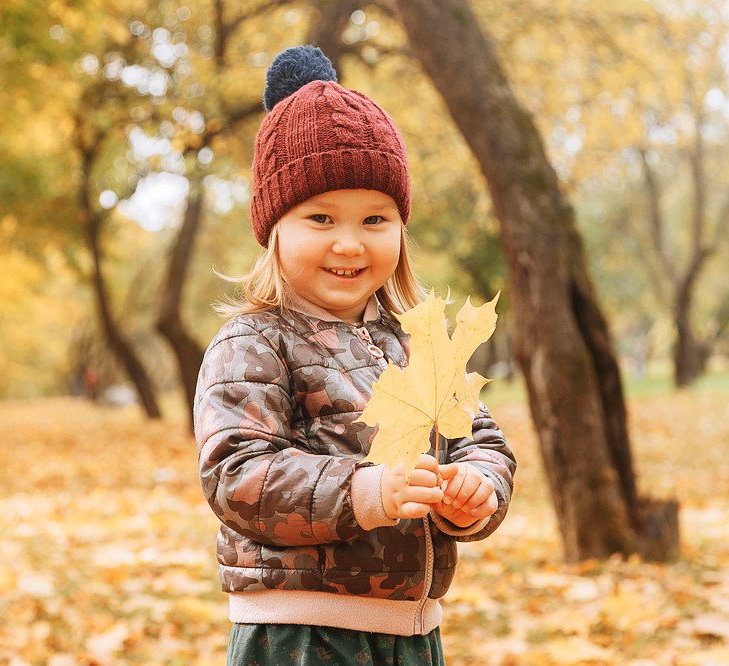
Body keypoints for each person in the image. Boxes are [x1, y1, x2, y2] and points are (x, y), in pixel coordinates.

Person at [193, 45, 516, 665]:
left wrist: (477, 488)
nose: (350, 241)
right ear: (274, 228)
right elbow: (237, 472)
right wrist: (367, 491)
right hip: (303, 634)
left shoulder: (416, 342)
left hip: (413, 634)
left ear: (401, 228)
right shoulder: (255, 343)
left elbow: (481, 437)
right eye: (320, 217)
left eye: (375, 218)